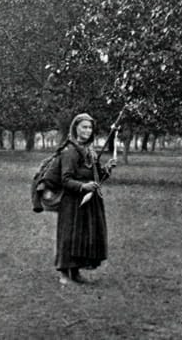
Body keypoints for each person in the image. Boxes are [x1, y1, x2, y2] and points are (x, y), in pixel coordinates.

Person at [55, 113, 116, 285]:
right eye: (84, 127)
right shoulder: (69, 151)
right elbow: (65, 179)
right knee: (68, 235)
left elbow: (97, 176)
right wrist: (83, 186)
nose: (87, 131)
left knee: (81, 236)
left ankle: (75, 271)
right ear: (75, 128)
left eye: (90, 128)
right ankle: (63, 273)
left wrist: (106, 169)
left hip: (88, 200)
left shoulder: (90, 151)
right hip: (72, 201)